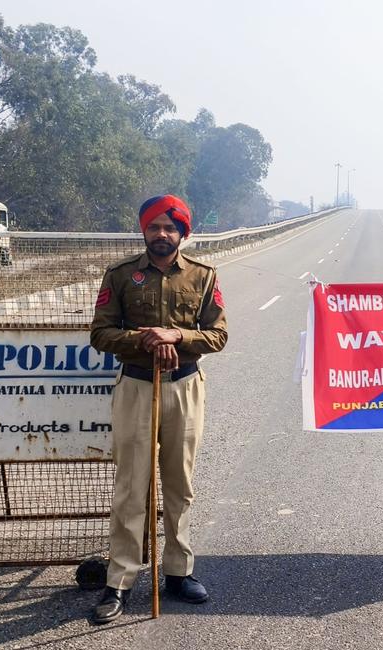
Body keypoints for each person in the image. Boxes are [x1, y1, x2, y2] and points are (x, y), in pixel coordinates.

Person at [89, 194, 228, 624]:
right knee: (131, 487)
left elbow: (218, 335)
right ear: (144, 230)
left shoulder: (203, 277)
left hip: (184, 387)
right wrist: (147, 340)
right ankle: (120, 580)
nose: (162, 235)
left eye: (170, 228)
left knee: (179, 485)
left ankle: (178, 572)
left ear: (183, 233)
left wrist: (176, 337)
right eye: (154, 227)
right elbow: (101, 333)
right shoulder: (121, 275)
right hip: (135, 385)